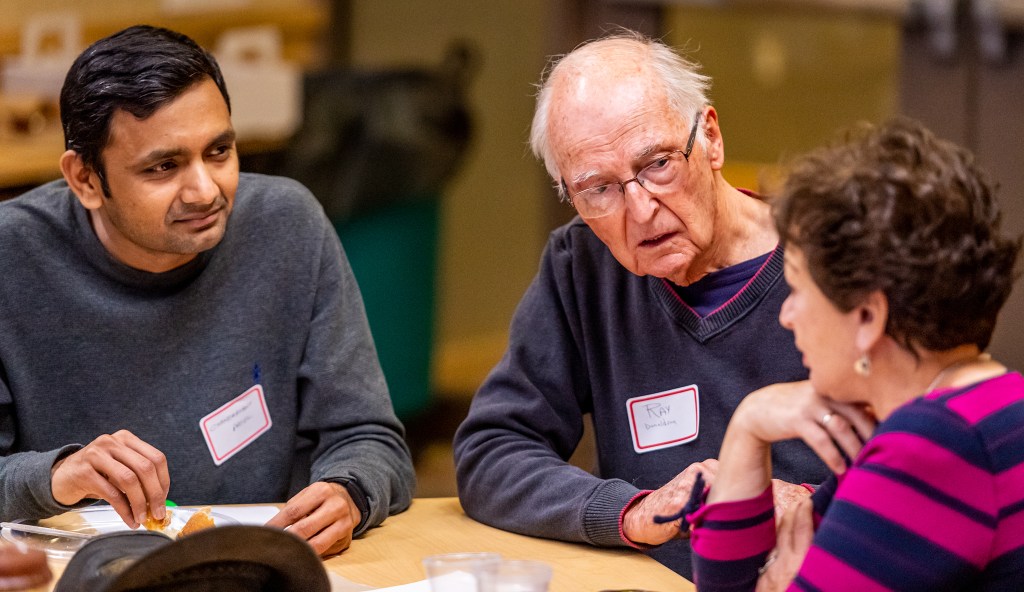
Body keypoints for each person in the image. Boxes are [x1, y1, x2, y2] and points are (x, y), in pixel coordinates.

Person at [0, 25, 416, 556]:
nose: (205, 190)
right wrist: (55, 476)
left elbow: (371, 440)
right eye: (164, 166)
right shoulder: (11, 255)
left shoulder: (287, 226)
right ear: (84, 179)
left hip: (255, 569)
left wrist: (350, 492)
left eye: (219, 151)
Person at [453, 30, 829, 578]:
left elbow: (931, 464)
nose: (641, 210)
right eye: (598, 189)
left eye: (657, 164)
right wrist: (627, 512)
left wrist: (813, 503)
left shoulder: (832, 264)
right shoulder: (581, 268)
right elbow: (493, 451)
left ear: (712, 139)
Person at [687, 118, 1023, 590]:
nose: (787, 314)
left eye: (798, 288)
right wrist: (749, 423)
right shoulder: (987, 405)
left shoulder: (933, 444)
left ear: (867, 317)